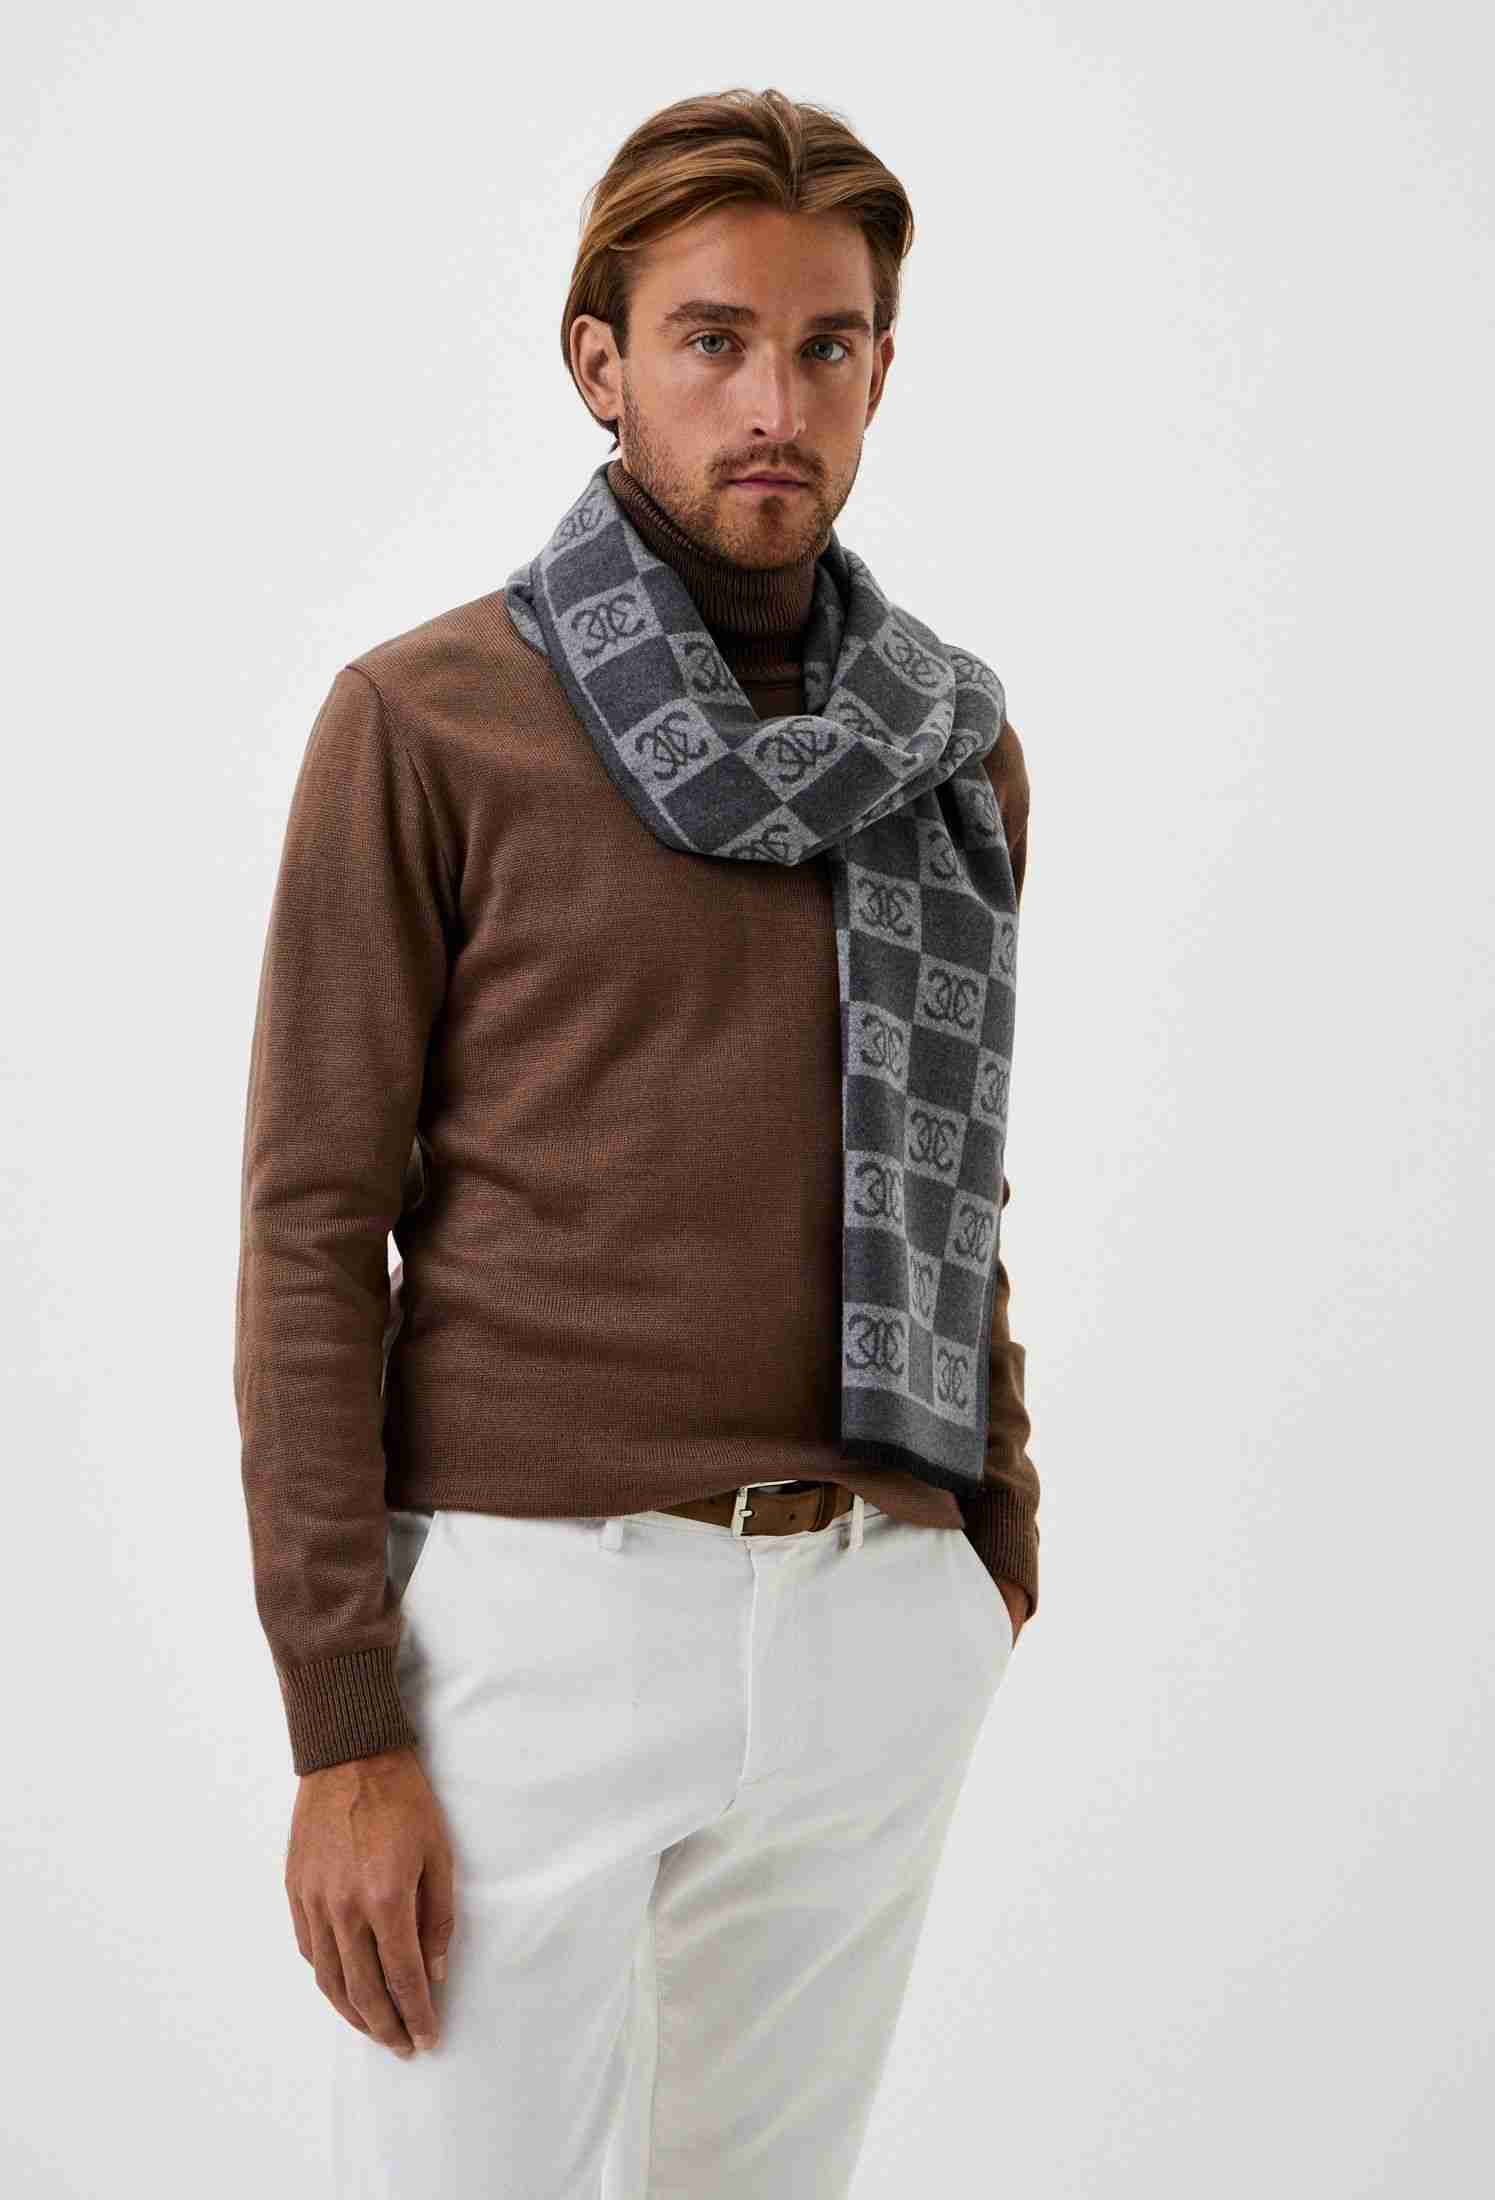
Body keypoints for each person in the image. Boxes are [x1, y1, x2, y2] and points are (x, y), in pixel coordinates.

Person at [234, 82, 1043, 2198]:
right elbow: (313, 1227)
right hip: (535, 1618)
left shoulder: (950, 745)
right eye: (712, 339)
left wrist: (988, 1547)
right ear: (601, 362)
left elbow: (953, 1173)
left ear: (882, 366)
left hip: (873, 1616)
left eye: (826, 344)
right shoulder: (427, 722)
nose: (774, 401)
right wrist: (342, 1723)